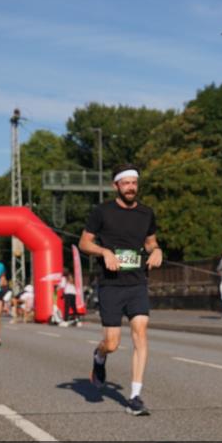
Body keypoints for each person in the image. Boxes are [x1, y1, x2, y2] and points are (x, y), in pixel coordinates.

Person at [79, 164, 162, 416]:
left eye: (134, 183)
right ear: (116, 185)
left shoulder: (146, 213)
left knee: (140, 331)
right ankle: (99, 356)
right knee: (112, 343)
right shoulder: (102, 211)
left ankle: (135, 396)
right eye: (125, 183)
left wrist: (157, 250)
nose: (130, 187)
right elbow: (84, 242)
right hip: (111, 285)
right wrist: (104, 252)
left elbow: (151, 242)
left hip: (137, 283)